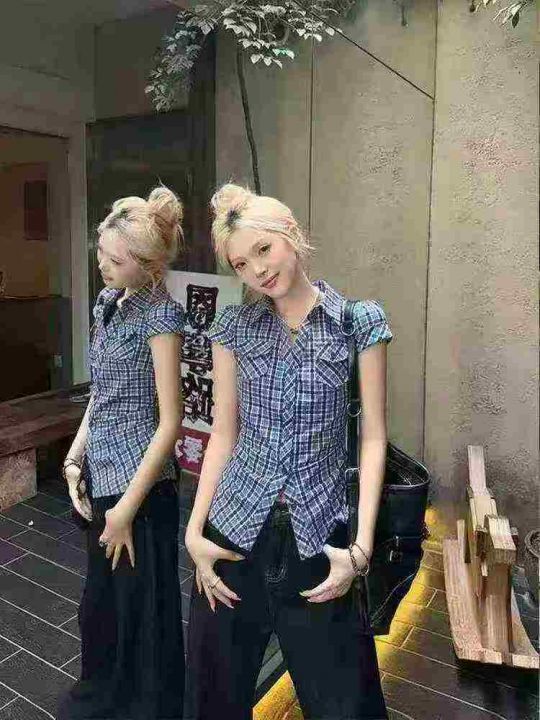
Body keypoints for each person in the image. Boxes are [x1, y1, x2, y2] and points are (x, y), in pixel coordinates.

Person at [185, 183, 391, 719]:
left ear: (292, 235)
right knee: (213, 697)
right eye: (241, 263)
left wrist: (361, 550)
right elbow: (222, 434)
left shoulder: (357, 322)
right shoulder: (235, 327)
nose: (257, 270)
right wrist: (195, 533)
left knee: (344, 703)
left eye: (263, 249)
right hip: (233, 534)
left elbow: (373, 437)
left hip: (320, 536)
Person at [57, 186, 185, 720]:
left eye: (115, 260)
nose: (102, 265)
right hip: (101, 474)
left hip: (142, 489)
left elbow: (171, 422)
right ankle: (105, 698)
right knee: (102, 607)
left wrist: (126, 511)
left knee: (141, 610)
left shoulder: (161, 317)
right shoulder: (109, 304)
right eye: (102, 254)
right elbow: (102, 393)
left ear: (148, 266)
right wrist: (74, 456)